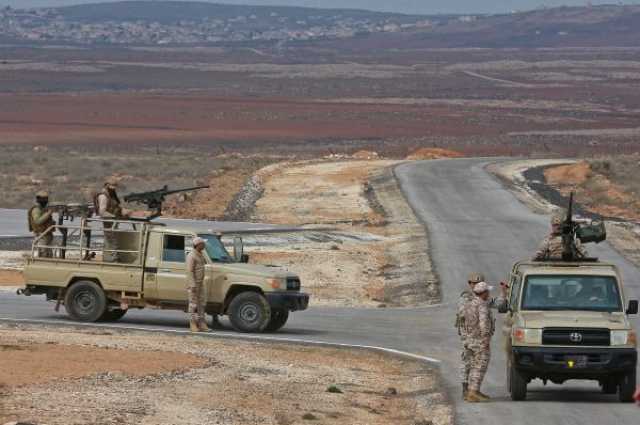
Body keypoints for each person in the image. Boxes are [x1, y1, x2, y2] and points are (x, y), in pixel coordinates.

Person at [456, 272, 507, 398]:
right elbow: (465, 315)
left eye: (478, 283)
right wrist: (484, 337)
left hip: (474, 336)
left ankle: (473, 390)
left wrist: (504, 292)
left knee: (476, 363)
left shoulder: (482, 299)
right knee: (469, 362)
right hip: (469, 336)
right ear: (469, 284)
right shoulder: (466, 298)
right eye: (474, 283)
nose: (475, 285)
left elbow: (497, 303)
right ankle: (467, 389)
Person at [463, 281, 495, 402]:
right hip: (479, 340)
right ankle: (472, 392)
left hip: (470, 339)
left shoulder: (470, 304)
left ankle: (473, 391)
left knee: (473, 366)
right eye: (488, 291)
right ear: (484, 293)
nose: (489, 293)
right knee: (480, 366)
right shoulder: (482, 305)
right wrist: (485, 338)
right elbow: (483, 323)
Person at [95, 178, 128, 262]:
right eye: (112, 186)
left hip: (114, 220)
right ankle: (113, 258)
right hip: (108, 221)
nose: (113, 189)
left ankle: (113, 257)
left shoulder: (112, 194)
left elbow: (117, 205)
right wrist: (113, 217)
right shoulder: (103, 196)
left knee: (113, 239)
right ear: (107, 185)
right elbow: (102, 212)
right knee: (110, 239)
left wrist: (123, 212)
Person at [186, 237, 209, 333]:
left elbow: (205, 263)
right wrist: (192, 284)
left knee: (201, 303)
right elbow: (190, 271)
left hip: (201, 283)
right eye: (203, 243)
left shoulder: (200, 254)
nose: (204, 245)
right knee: (193, 304)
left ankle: (202, 323)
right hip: (194, 284)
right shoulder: (191, 255)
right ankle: (192, 323)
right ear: (198, 245)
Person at [28, 191, 55, 258]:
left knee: (48, 253)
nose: (46, 201)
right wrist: (48, 213)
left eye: (46, 199)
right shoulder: (36, 209)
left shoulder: (43, 209)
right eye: (44, 199)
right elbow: (37, 221)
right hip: (41, 234)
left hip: (46, 234)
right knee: (43, 252)